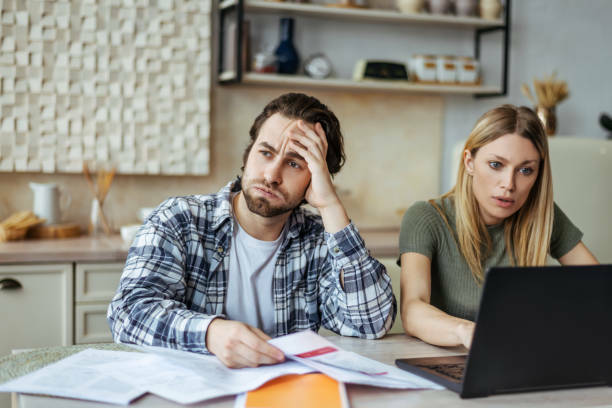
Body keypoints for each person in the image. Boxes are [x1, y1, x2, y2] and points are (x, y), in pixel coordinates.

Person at [108, 92, 396, 368]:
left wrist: (331, 204)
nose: (271, 175)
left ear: (316, 179)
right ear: (248, 154)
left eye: (294, 163)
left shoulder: (320, 239)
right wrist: (211, 334)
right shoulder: (180, 220)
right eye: (265, 152)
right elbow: (128, 314)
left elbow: (370, 323)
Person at [399, 104, 598, 349]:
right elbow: (412, 310)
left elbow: (600, 291)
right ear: (469, 162)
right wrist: (468, 332)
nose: (509, 184)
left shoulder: (543, 217)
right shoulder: (426, 217)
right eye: (496, 165)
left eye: (525, 170)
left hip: (523, 359)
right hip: (451, 362)